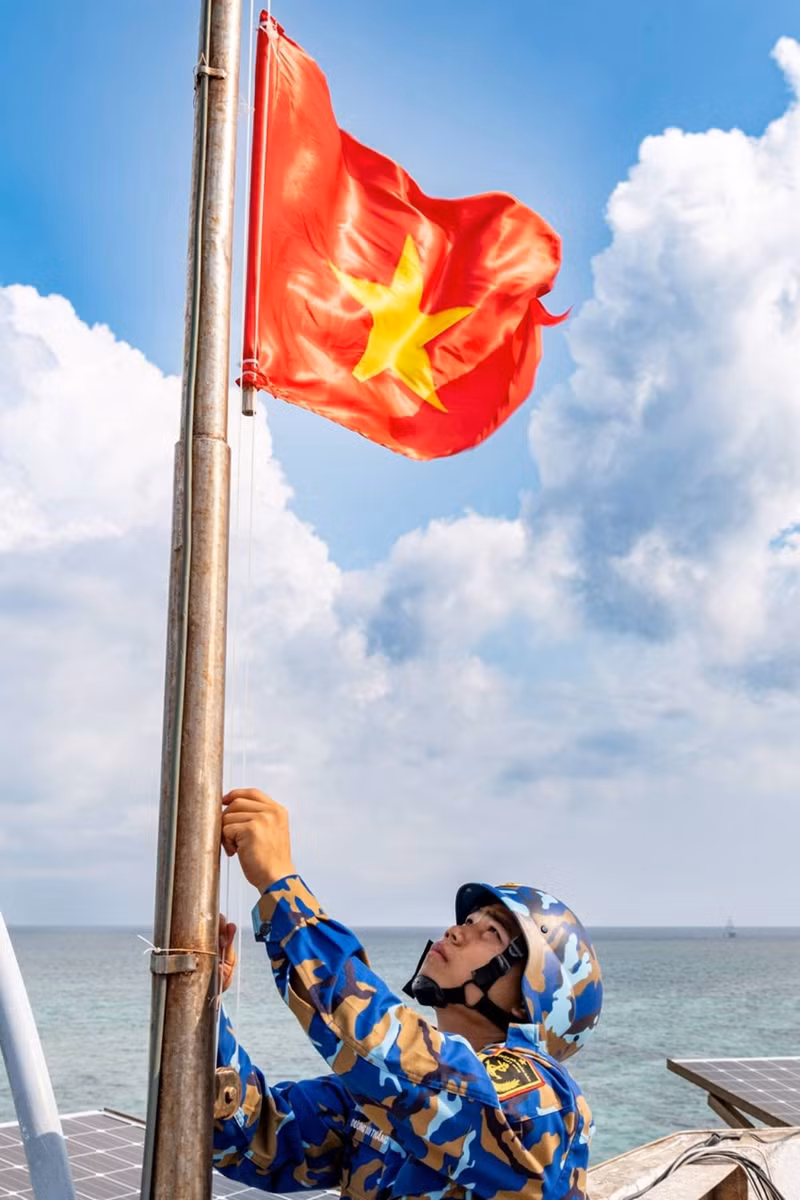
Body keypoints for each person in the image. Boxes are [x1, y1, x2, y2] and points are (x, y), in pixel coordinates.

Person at [213, 788, 603, 1199]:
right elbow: (251, 1138)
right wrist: (204, 1009)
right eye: (468, 919)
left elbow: (394, 1053)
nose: (456, 930)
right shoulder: (372, 1100)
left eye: (491, 932)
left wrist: (281, 886)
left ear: (529, 997)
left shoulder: (541, 1102)